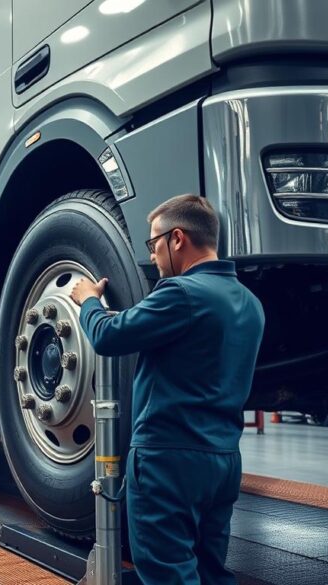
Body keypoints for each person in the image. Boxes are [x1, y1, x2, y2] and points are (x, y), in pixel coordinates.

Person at [69, 194, 265, 585]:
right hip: (223, 461)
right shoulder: (250, 303)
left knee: (166, 575)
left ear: (177, 239)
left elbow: (109, 336)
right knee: (209, 573)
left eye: (154, 244)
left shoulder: (182, 294)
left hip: (168, 462)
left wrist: (88, 302)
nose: (153, 256)